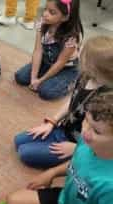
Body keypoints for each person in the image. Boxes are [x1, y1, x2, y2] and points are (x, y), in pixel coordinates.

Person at [7, 89, 113, 204]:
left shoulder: (109, 186)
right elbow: (77, 161)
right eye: (87, 124)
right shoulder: (86, 142)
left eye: (96, 131)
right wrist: (52, 173)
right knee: (13, 202)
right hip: (67, 200)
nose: (85, 132)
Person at [14, 36, 113, 169]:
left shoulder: (106, 97)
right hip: (64, 129)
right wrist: (52, 122)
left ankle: (78, 158)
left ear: (94, 65)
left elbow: (104, 136)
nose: (77, 53)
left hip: (83, 143)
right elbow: (73, 100)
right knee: (18, 141)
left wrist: (77, 148)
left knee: (24, 153)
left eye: (81, 52)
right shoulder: (85, 76)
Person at [15, 0, 83, 100]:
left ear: (65, 17)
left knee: (46, 92)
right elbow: (38, 51)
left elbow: (60, 63)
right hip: (47, 62)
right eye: (45, 9)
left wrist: (41, 80)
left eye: (52, 12)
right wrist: (33, 77)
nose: (45, 14)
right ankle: (46, 77)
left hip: (65, 69)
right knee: (20, 77)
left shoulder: (71, 37)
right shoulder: (42, 24)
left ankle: (74, 81)